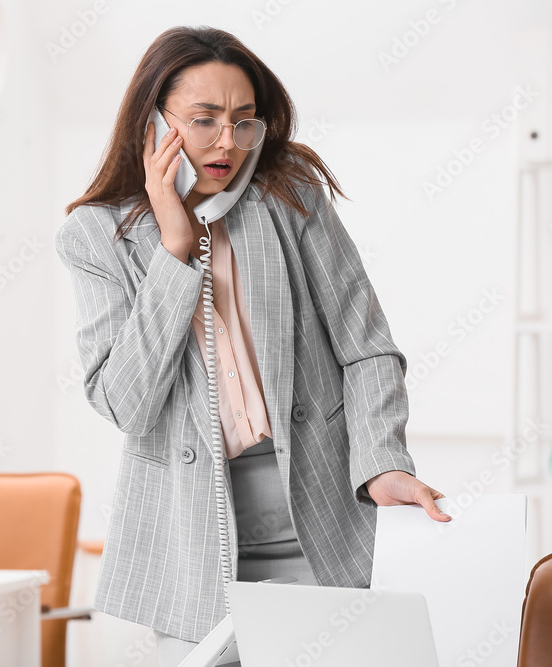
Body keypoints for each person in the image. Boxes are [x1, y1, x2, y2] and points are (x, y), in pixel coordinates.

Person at [55, 25, 449, 667]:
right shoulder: (95, 236)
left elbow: (366, 346)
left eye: (244, 121)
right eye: (204, 120)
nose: (228, 143)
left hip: (320, 515)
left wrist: (384, 461)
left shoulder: (288, 194)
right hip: (194, 544)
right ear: (153, 124)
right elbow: (125, 403)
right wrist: (176, 251)